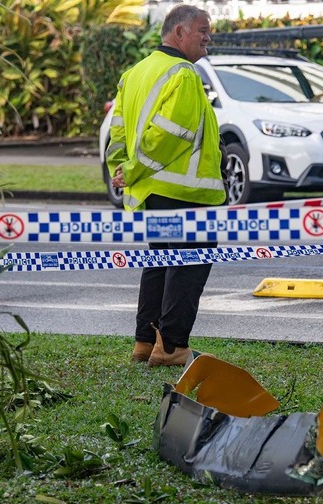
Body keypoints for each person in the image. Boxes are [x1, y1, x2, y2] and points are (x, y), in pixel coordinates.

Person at [106, 4, 227, 367]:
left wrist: (123, 169)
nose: (208, 38)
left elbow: (118, 132)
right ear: (179, 33)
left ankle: (146, 342)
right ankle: (172, 346)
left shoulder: (134, 73)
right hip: (187, 192)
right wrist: (135, 168)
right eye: (203, 30)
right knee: (189, 264)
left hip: (154, 192)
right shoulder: (184, 74)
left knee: (159, 261)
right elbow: (173, 134)